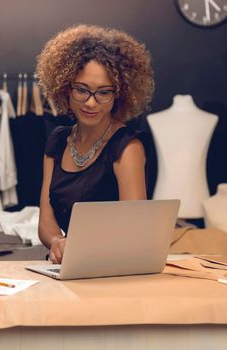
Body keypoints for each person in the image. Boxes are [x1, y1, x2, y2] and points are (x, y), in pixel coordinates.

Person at [36, 25, 154, 263]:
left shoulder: (127, 147)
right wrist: (57, 242)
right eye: (82, 90)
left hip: (110, 270)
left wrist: (79, 246)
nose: (91, 103)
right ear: (65, 89)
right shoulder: (57, 142)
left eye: (103, 92)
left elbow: (133, 229)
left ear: (118, 95)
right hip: (67, 268)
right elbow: (46, 222)